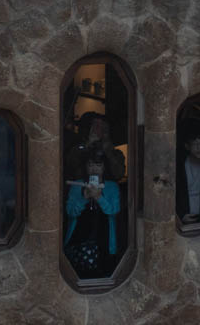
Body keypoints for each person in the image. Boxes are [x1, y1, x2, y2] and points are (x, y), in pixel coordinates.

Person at [63, 113, 125, 278]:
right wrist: (88, 144)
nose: (99, 130)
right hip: (79, 239)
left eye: (102, 127)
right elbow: (70, 164)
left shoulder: (114, 155)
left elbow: (119, 173)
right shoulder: (79, 149)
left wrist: (108, 149)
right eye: (95, 126)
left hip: (104, 233)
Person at [176, 132, 200, 225]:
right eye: (195, 144)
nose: (199, 147)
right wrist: (180, 215)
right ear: (187, 146)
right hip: (184, 217)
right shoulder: (179, 167)